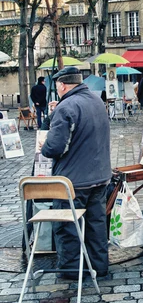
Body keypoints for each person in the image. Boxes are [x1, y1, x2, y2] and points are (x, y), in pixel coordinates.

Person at [41, 66, 112, 279]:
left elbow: (53, 148)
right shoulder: (97, 101)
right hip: (99, 176)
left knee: (68, 227)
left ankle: (72, 270)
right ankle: (99, 267)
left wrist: (45, 142)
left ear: (62, 85)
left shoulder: (67, 107)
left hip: (74, 181)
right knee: (96, 225)